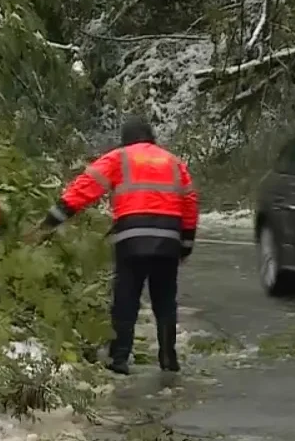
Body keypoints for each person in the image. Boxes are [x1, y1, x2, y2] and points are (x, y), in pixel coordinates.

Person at [29, 117, 198, 375]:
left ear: (126, 139)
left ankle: (119, 358)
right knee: (164, 300)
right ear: (151, 138)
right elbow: (189, 203)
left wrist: (51, 221)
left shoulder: (119, 158)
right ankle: (168, 357)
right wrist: (186, 244)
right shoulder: (174, 162)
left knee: (126, 298)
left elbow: (84, 188)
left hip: (131, 236)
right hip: (168, 238)